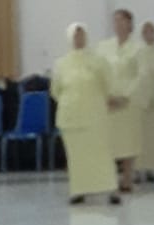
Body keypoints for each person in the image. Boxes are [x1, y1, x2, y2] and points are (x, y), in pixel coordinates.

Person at [53, 24, 121, 206]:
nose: (79, 39)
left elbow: (109, 85)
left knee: (102, 154)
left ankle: (111, 189)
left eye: (81, 35)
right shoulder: (61, 64)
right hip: (71, 118)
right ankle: (78, 191)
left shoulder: (99, 61)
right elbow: (56, 90)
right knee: (76, 157)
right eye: (75, 36)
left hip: (95, 117)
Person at [99, 9, 144, 192]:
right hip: (109, 100)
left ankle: (127, 179)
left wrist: (125, 97)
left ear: (129, 24)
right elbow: (99, 71)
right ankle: (109, 179)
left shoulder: (138, 48)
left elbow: (141, 76)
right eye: (115, 21)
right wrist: (106, 95)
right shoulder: (104, 47)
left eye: (122, 20)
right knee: (109, 141)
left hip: (128, 102)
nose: (118, 24)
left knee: (128, 141)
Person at [136, 22, 154, 181]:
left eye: (152, 32)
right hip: (141, 100)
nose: (149, 35)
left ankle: (151, 169)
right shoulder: (138, 54)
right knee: (140, 138)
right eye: (146, 32)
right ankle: (138, 170)